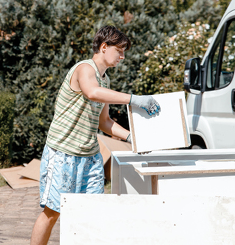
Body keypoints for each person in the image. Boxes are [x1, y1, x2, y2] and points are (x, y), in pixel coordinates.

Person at [30, 25, 160, 245]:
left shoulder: (105, 81)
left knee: (91, 213)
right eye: (119, 50)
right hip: (63, 154)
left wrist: (133, 138)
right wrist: (133, 98)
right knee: (53, 213)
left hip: (90, 158)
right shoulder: (84, 69)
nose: (122, 56)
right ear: (103, 46)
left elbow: (105, 122)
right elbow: (91, 92)